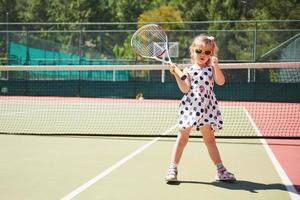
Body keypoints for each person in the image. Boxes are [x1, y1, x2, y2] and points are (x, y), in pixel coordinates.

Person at [165, 34, 236, 182]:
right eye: (199, 51)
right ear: (193, 51)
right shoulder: (188, 70)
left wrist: (216, 66)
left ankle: (220, 170)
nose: (202, 54)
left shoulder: (211, 69)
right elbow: (185, 89)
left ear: (211, 54)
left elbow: (221, 81)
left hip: (207, 108)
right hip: (190, 108)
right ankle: (172, 168)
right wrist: (176, 75)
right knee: (182, 137)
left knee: (210, 140)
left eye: (207, 52)